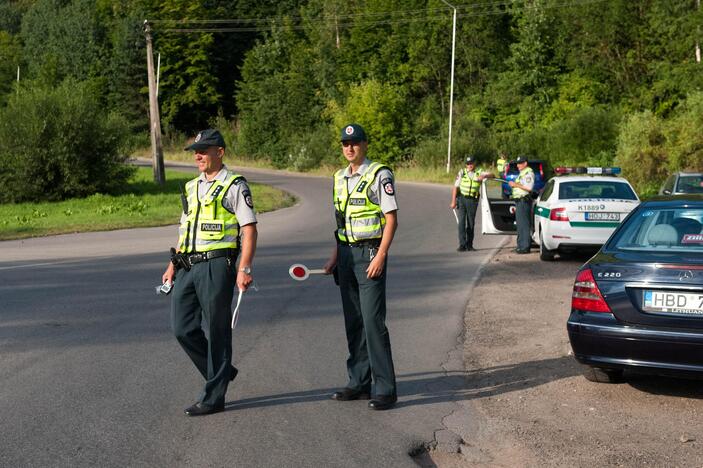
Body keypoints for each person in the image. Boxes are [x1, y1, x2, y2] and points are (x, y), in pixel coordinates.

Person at [161, 128, 258, 416]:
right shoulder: (192, 187)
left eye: (204, 150)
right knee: (182, 328)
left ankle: (214, 396)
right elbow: (184, 230)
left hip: (218, 265)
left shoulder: (234, 185)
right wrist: (172, 265)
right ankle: (220, 371)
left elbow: (249, 229)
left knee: (217, 332)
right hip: (188, 265)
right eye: (195, 151)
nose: (198, 155)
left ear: (220, 152)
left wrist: (245, 267)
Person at [323, 123, 398, 411]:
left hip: (369, 255)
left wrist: (380, 255)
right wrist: (334, 257)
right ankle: (358, 382)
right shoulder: (339, 177)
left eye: (354, 143)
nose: (349, 148)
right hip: (345, 255)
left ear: (365, 145)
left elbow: (391, 219)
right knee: (354, 322)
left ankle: (386, 389)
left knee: (372, 322)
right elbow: (341, 224)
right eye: (345, 143)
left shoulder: (379, 174)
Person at [450, 156, 491, 252]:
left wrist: (484, 176)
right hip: (462, 199)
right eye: (468, 164)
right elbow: (455, 187)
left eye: (471, 163)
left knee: (471, 223)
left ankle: (469, 245)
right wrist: (453, 201)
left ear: (474, 164)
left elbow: (492, 175)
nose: (469, 165)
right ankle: (462, 244)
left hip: (473, 201)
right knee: (461, 223)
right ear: (466, 164)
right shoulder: (462, 172)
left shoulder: (479, 172)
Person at [508, 155, 534, 254]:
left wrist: (515, 185)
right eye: (517, 163)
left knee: (524, 225)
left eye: (520, 163)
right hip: (519, 201)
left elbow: (529, 188)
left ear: (525, 163)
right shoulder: (522, 173)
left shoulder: (528, 173)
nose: (518, 165)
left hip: (524, 201)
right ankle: (520, 246)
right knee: (520, 225)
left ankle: (525, 247)